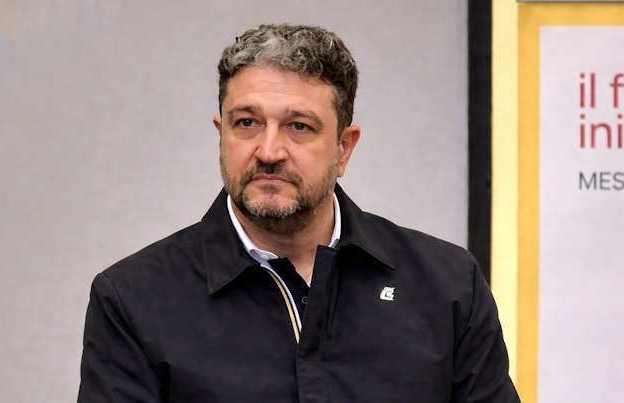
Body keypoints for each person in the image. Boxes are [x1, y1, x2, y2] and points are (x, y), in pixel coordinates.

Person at [77, 24, 520, 403]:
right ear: (221, 134)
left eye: (299, 127)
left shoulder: (446, 287)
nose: (269, 151)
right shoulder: (134, 300)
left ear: (344, 148)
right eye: (246, 123)